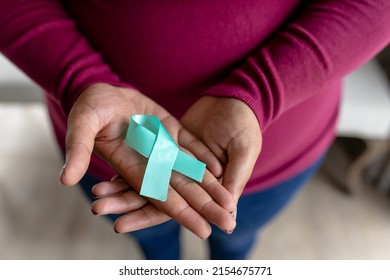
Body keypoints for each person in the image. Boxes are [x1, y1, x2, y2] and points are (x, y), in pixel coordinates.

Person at [0, 0, 389, 260]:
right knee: (150, 239)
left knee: (235, 239)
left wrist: (260, 91)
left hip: (270, 152)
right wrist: (80, 77)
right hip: (108, 143)